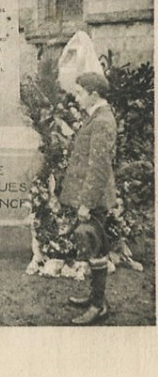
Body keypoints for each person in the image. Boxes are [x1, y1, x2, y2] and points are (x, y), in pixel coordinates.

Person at [60, 71, 117, 325]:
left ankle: (98, 306)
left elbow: (99, 167)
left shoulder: (102, 121)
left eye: (81, 93)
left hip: (95, 198)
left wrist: (86, 202)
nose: (77, 96)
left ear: (94, 95)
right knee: (95, 245)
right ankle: (96, 298)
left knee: (95, 247)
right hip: (92, 196)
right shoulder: (97, 117)